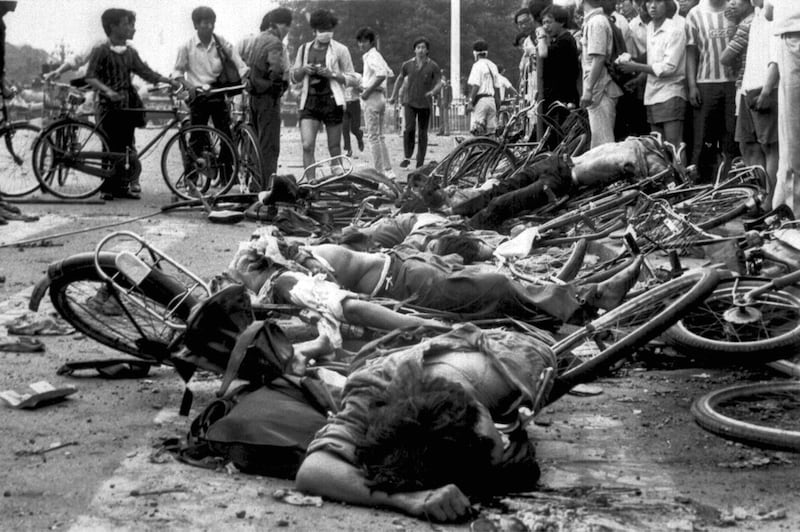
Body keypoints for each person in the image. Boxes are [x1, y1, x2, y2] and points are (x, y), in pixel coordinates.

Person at [295, 323, 556, 522]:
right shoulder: (372, 389)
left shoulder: (505, 378)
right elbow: (313, 470)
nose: (503, 440)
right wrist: (407, 499)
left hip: (506, 340)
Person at [84, 8, 178, 200]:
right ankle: (106, 188)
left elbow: (145, 72)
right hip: (107, 107)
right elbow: (90, 77)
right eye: (126, 24)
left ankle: (122, 186)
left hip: (127, 105)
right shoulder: (101, 50)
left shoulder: (130, 53)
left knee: (125, 145)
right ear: (113, 27)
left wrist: (168, 81)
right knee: (109, 147)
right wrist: (108, 91)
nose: (130, 28)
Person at [172, 6, 248, 190]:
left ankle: (227, 176)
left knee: (227, 136)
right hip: (198, 95)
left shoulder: (221, 42)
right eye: (204, 22)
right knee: (197, 137)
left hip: (217, 92)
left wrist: (245, 77)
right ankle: (191, 179)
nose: (209, 26)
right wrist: (191, 87)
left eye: (211, 22)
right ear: (196, 25)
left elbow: (239, 63)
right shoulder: (187, 46)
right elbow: (177, 73)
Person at [290, 9, 355, 178]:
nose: (326, 34)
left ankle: (338, 177)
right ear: (314, 31)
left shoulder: (340, 50)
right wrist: (304, 70)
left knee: (334, 146)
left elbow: (353, 78)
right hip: (310, 100)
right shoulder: (304, 50)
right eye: (322, 30)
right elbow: (294, 77)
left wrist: (332, 74)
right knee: (307, 145)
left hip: (332, 101)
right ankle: (311, 181)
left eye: (329, 30)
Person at [618, 0, 687, 152]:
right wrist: (639, 79)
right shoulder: (650, 28)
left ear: (667, 5)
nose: (653, 6)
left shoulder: (675, 30)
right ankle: (668, 176)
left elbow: (668, 68)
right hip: (652, 94)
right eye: (649, 2)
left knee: (674, 146)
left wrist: (635, 67)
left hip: (671, 93)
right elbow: (654, 60)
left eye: (658, 2)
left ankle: (682, 176)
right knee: (658, 148)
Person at [685, 0, 737, 179]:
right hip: (706, 84)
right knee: (704, 136)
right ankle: (702, 183)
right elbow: (691, 53)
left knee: (731, 136)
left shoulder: (734, 9)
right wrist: (692, 85)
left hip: (733, 83)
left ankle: (730, 180)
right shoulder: (695, 14)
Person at [244, 7, 293, 191]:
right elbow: (276, 70)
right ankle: (265, 189)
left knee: (256, 144)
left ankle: (255, 185)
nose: (287, 31)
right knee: (269, 146)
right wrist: (279, 87)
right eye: (287, 27)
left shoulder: (258, 39)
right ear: (281, 25)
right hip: (267, 99)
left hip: (254, 98)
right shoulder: (275, 43)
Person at [389, 37, 442, 169]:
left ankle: (420, 161)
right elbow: (399, 79)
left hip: (425, 103)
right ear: (414, 50)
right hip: (409, 102)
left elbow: (440, 82)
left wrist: (433, 91)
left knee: (423, 133)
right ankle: (407, 156)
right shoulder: (407, 65)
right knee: (409, 129)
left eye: (423, 47)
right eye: (418, 47)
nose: (421, 50)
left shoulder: (433, 65)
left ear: (427, 50)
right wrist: (393, 96)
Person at [580, 0, 624, 148]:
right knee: (599, 144)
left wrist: (588, 89)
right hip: (598, 89)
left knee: (603, 146)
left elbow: (599, 58)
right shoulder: (595, 20)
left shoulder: (597, 22)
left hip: (601, 90)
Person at [771, 0, 800, 215]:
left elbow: (767, 10)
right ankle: (790, 209)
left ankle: (793, 211)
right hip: (791, 34)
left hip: (793, 34)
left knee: (793, 132)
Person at [356, 27, 395, 179]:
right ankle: (388, 169)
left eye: (364, 41)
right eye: (359, 42)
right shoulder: (377, 55)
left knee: (373, 136)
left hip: (372, 97)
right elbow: (388, 72)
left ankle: (379, 172)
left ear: (371, 41)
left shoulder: (370, 56)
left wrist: (367, 89)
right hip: (380, 97)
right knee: (380, 136)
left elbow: (382, 74)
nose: (361, 45)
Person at [539, 4, 581, 111]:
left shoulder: (565, 41)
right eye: (543, 23)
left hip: (563, 99)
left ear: (561, 22)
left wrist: (541, 36)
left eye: (549, 22)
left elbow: (543, 53)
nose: (545, 26)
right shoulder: (558, 40)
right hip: (556, 98)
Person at [465, 40, 501, 137]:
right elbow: (497, 87)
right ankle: (491, 151)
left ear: (475, 53)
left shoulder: (477, 65)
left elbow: (476, 85)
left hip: (481, 101)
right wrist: (498, 103)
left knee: (478, 130)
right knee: (491, 132)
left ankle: (478, 152)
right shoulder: (493, 66)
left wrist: (470, 101)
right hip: (491, 100)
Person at [341, 73, 364, 158]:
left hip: (355, 103)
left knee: (354, 128)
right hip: (344, 104)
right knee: (345, 127)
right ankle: (348, 149)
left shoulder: (357, 76)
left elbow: (363, 89)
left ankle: (359, 136)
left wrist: (356, 86)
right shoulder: (341, 76)